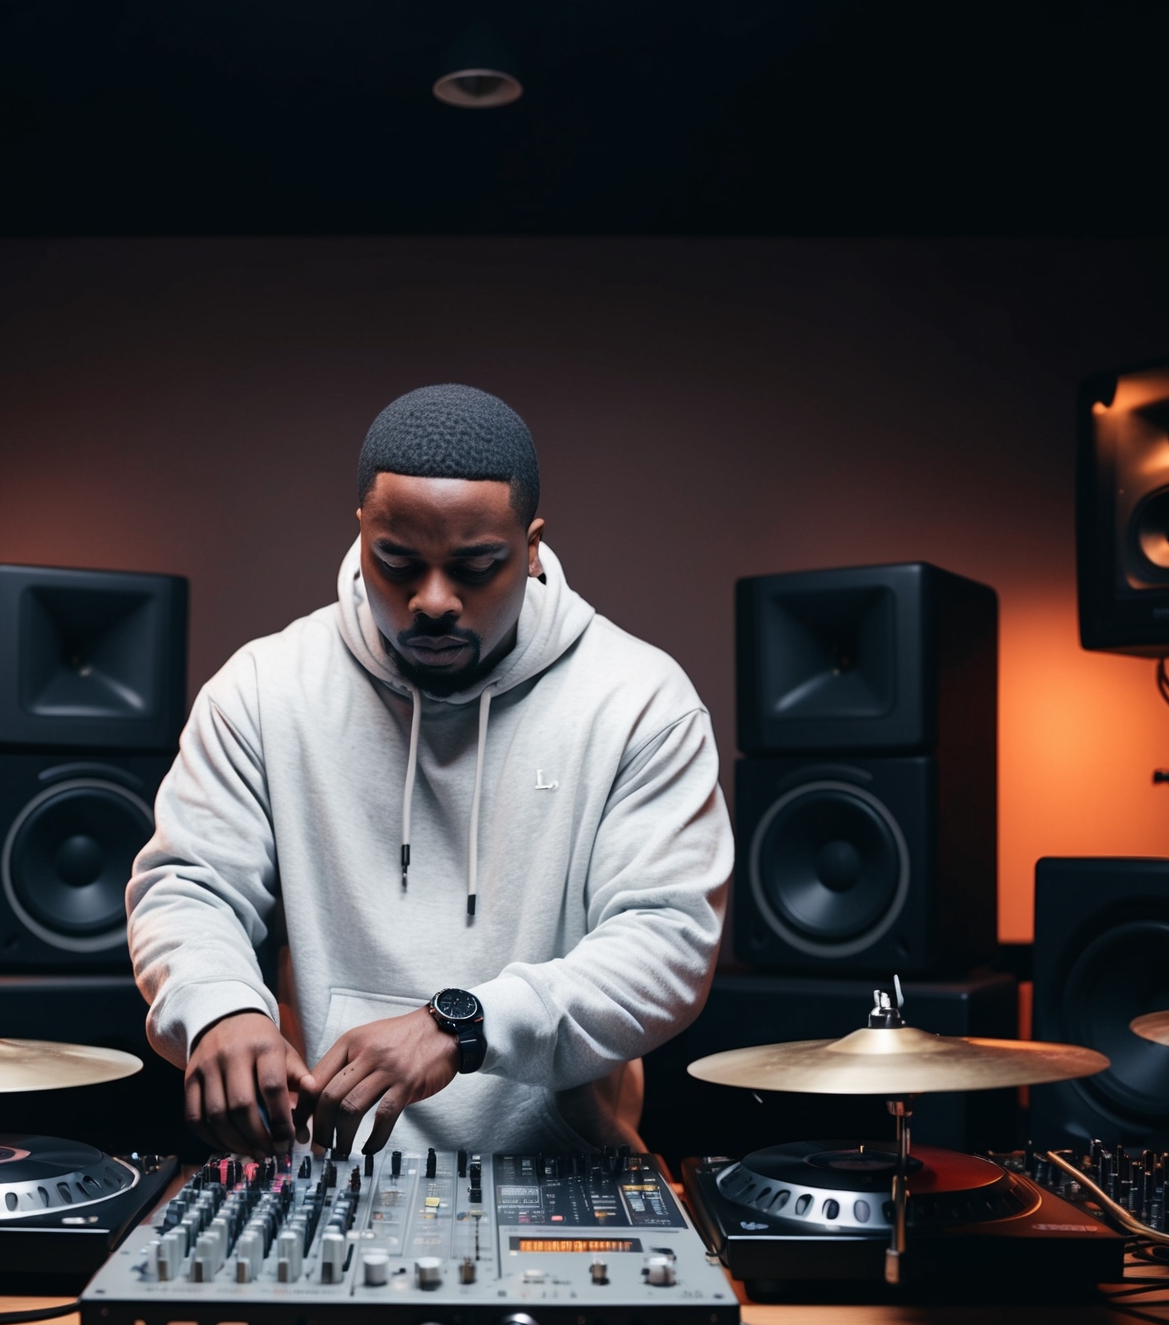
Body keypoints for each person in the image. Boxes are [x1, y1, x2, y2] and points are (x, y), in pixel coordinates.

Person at [127, 383, 732, 1160]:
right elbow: (189, 885)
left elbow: (667, 943)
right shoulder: (262, 689)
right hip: (322, 1176)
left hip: (559, 1177)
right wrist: (217, 1006)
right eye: (398, 563)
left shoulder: (640, 702)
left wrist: (463, 1023)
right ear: (361, 533)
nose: (434, 600)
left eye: (477, 566)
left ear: (534, 544)